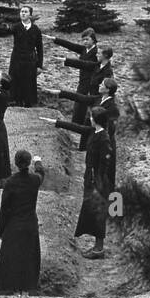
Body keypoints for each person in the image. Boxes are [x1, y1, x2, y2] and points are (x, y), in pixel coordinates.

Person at [45, 105, 115, 258]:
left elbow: (105, 162)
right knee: (91, 212)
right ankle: (97, 246)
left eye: (91, 117)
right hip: (90, 178)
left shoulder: (104, 139)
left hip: (97, 181)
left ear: (96, 120)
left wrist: (97, 181)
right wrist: (56, 122)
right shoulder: (93, 131)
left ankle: (99, 249)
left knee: (98, 213)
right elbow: (76, 127)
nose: (89, 119)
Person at [0, 149, 45, 292]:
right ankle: (28, 289)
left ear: (15, 163)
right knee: (29, 260)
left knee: (12, 259)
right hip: (30, 225)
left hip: (14, 226)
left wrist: (1, 229)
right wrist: (38, 162)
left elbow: (4, 209)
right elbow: (41, 174)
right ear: (28, 163)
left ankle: (12, 289)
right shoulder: (34, 180)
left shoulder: (10, 183)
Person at [52, 28, 98, 137]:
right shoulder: (84, 49)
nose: (85, 42)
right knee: (79, 104)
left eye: (87, 39)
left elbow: (84, 64)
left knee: (86, 105)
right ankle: (76, 127)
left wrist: (66, 61)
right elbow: (70, 45)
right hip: (82, 81)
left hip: (92, 83)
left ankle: (83, 129)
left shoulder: (96, 53)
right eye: (83, 40)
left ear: (93, 40)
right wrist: (55, 39)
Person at [8, 5, 43, 107]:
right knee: (16, 82)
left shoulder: (36, 30)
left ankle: (28, 104)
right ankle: (16, 104)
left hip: (30, 61)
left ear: (30, 15)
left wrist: (39, 65)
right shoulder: (16, 27)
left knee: (28, 84)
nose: (23, 13)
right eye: (21, 12)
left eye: (25, 12)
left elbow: (40, 49)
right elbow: (5, 31)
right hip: (17, 60)